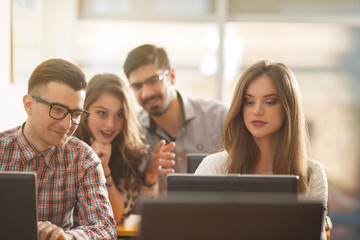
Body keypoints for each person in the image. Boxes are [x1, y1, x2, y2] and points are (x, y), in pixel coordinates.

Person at [195, 60, 329, 238]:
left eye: (270, 102)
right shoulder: (213, 167)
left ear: (288, 108)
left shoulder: (312, 174)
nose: (257, 111)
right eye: (249, 102)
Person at [0, 59, 116, 240]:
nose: (67, 124)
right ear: (28, 105)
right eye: (57, 109)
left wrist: (68, 237)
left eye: (76, 114)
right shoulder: (2, 149)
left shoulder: (83, 158)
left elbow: (105, 228)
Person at [123, 44, 229, 192]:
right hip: (163, 215)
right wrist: (149, 174)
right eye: (137, 86)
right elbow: (133, 204)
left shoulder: (219, 117)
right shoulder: (132, 132)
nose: (146, 93)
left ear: (172, 76)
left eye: (153, 80)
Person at [74, 73, 175, 224]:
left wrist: (104, 169)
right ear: (85, 110)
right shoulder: (67, 146)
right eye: (102, 113)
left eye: (119, 115)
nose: (110, 125)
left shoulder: (127, 152)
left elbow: (115, 216)